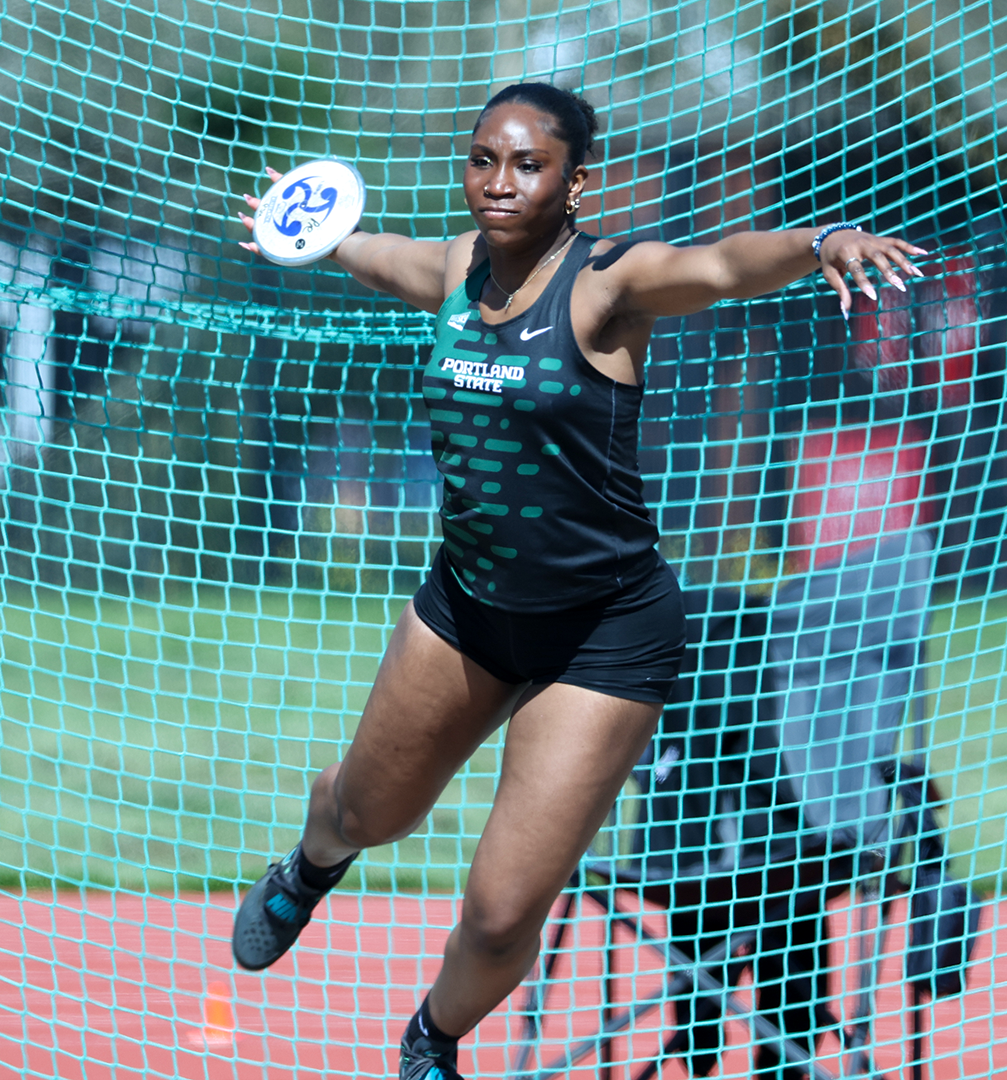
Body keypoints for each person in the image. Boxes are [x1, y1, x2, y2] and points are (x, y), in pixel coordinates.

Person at [229, 81, 926, 1080]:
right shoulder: (460, 269)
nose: (499, 182)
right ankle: (310, 865)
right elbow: (385, 257)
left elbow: (723, 265)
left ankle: (432, 1042)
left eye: (528, 163)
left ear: (574, 181)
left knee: (505, 911)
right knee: (366, 816)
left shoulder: (609, 283)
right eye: (483, 159)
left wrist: (817, 246)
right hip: (467, 608)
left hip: (606, 634)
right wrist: (311, 235)